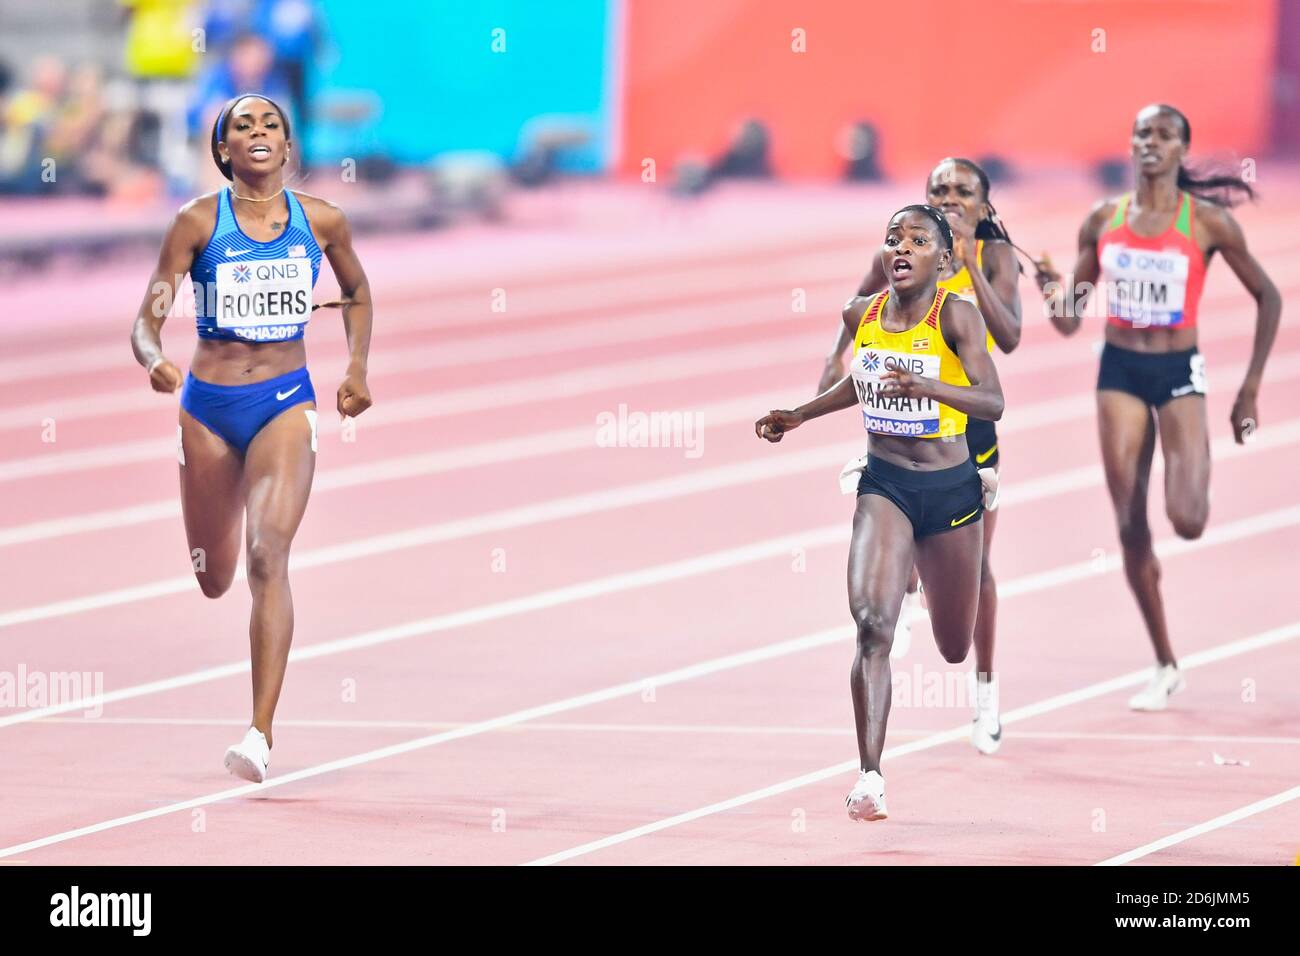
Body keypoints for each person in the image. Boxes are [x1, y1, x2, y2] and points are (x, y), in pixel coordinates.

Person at [129, 93, 374, 780]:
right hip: (208, 411)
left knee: (271, 556)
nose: (259, 133)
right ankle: (229, 493)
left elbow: (357, 293)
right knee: (216, 578)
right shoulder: (195, 223)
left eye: (271, 125)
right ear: (222, 149)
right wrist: (155, 360)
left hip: (283, 403)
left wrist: (355, 367)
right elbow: (146, 318)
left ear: (289, 146)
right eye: (244, 126)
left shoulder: (322, 221)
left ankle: (260, 733)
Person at [756, 205, 1004, 820]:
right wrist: (801, 413)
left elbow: (992, 401)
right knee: (871, 625)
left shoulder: (958, 317)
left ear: (943, 262)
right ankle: (870, 775)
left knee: (952, 647)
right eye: (893, 238)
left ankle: (930, 596)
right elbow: (860, 382)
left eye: (918, 240)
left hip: (950, 492)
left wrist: (929, 387)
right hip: (885, 483)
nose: (901, 247)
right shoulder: (862, 313)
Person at [1035, 104, 1280, 711]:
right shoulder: (1104, 220)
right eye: (1142, 132)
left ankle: (1192, 474)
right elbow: (1069, 320)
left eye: (1164, 134)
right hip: (1119, 369)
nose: (1150, 141)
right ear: (1131, 143)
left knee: (1188, 520)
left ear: (1181, 150)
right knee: (1127, 524)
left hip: (1178, 371)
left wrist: (1249, 388)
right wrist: (1047, 283)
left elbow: (1269, 296)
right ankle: (1165, 661)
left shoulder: (1209, 224)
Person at [817, 158, 1023, 754]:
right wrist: (829, 378)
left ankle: (984, 693)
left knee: (976, 570)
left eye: (963, 191)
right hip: (898, 434)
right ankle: (900, 595)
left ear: (984, 206)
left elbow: (1007, 338)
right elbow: (857, 315)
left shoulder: (993, 256)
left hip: (969, 437)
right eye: (939, 188)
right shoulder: (909, 245)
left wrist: (967, 267)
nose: (949, 196)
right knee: (893, 516)